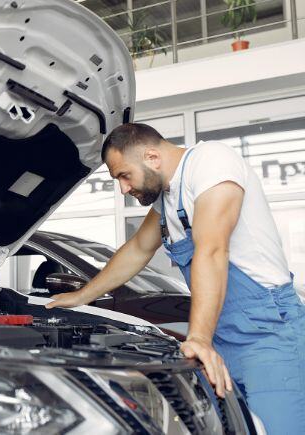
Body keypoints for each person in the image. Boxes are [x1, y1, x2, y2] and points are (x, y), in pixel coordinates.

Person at [46, 123, 305, 434]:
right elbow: (138, 249)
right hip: (222, 335)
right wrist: (81, 296)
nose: (123, 189)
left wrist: (198, 338)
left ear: (152, 156)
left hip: (267, 334)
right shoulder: (169, 198)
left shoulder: (211, 162)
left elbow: (212, 250)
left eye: (124, 175)